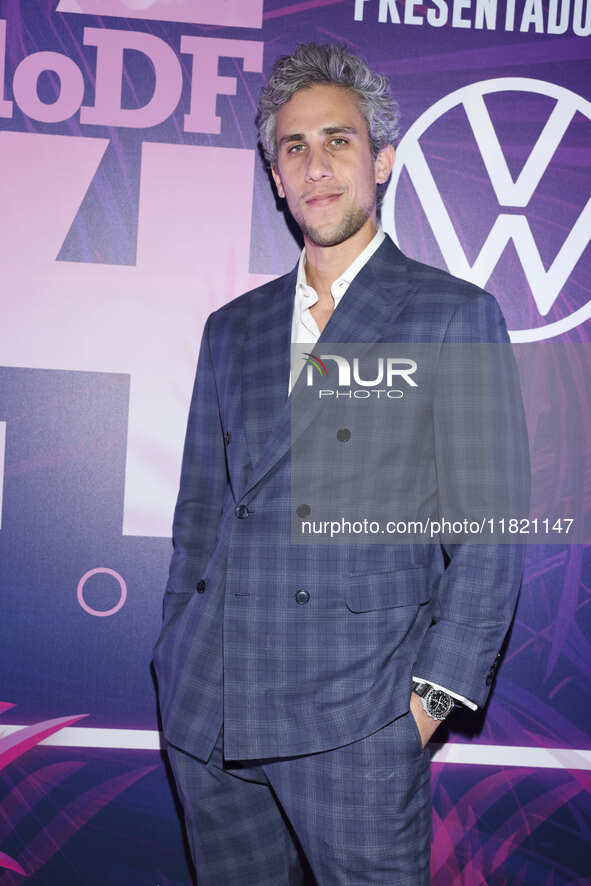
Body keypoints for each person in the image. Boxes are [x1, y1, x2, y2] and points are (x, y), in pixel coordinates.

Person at [153, 42, 528, 885]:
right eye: (293, 148)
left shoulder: (450, 316)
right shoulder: (234, 327)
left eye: (338, 142)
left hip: (354, 721)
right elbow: (201, 513)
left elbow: (489, 534)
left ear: (381, 160)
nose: (315, 167)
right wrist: (174, 644)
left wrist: (423, 707)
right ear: (274, 175)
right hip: (209, 704)